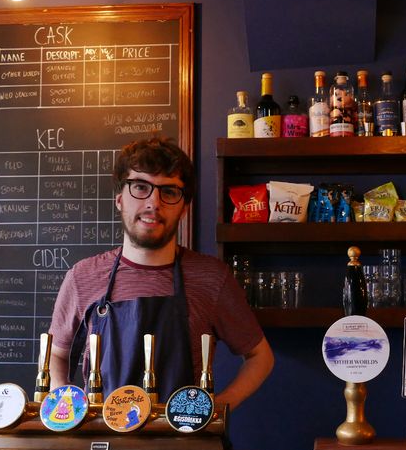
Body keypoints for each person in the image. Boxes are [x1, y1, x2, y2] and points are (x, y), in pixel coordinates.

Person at [48, 135, 274, 410]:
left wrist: (218, 409)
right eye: (140, 187)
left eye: (168, 191)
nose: (153, 202)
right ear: (120, 199)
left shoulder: (213, 279)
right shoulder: (82, 277)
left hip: (184, 445)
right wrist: (67, 407)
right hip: (101, 444)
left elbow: (260, 357)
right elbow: (57, 355)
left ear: (184, 208)